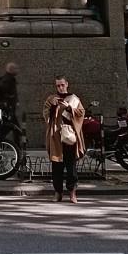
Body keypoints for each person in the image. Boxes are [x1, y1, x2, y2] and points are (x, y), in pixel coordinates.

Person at [43, 74, 85, 204]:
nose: (60, 88)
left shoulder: (74, 98)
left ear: (67, 84)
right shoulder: (51, 99)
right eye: (58, 86)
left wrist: (69, 108)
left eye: (62, 85)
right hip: (56, 136)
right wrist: (53, 107)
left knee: (71, 166)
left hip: (69, 136)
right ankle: (58, 193)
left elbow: (81, 113)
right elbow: (45, 114)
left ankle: (72, 193)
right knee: (57, 166)